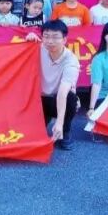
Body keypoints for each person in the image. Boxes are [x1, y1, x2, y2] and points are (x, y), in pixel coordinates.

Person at [39, 20, 80, 151]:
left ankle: (65, 130)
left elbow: (62, 93)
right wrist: (28, 39)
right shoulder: (38, 49)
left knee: (71, 98)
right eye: (46, 36)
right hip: (40, 99)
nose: (50, 41)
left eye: (55, 37)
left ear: (64, 40)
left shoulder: (71, 61)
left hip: (59, 99)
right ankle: (43, 120)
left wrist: (59, 123)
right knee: (31, 136)